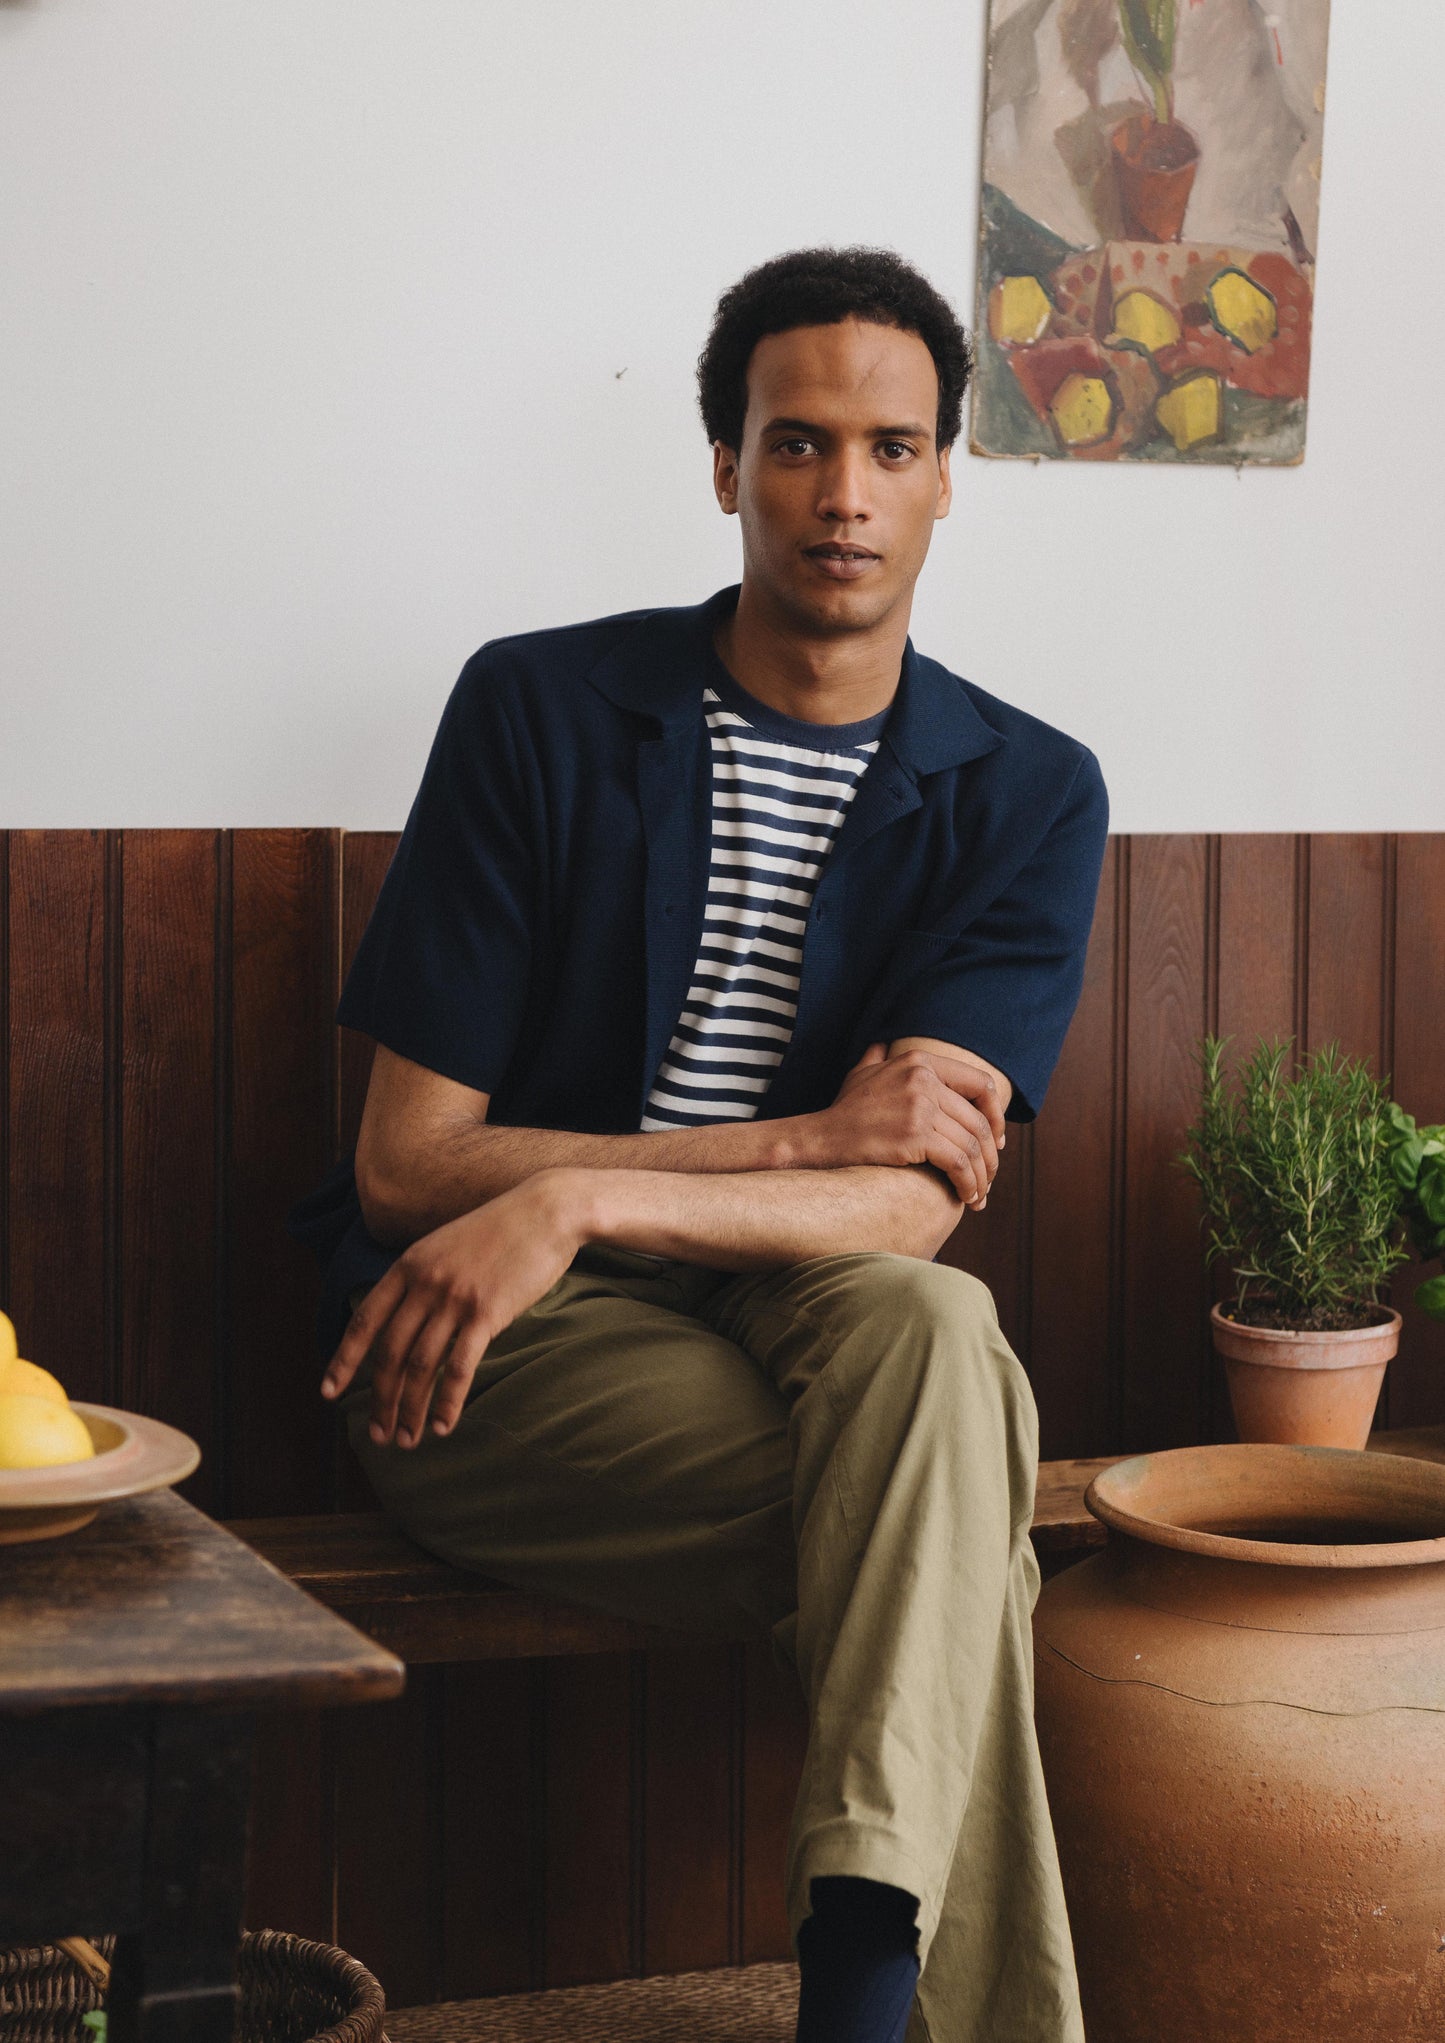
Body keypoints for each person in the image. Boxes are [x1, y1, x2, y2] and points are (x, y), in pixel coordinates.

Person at [294, 246, 1107, 2043]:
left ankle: (857, 1993)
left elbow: (907, 1211)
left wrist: (581, 1185)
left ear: (947, 477)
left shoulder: (1027, 789)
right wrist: (749, 1154)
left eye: (892, 448)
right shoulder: (538, 710)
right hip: (496, 1339)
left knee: (937, 1335)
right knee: (952, 1507)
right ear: (726, 464)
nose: (843, 495)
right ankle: (869, 2004)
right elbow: (410, 1166)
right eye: (796, 443)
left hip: (795, 1314)